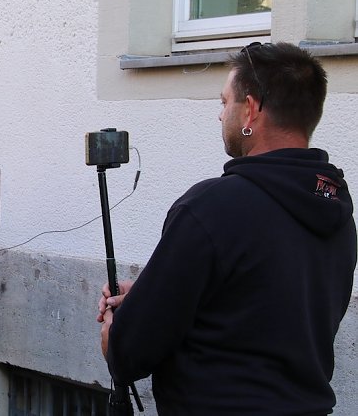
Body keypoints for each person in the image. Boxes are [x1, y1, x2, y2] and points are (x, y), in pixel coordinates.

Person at [98, 42, 357, 414]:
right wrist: (153, 294)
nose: (220, 115)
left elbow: (129, 353)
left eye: (224, 102)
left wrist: (114, 333)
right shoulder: (337, 212)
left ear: (250, 109)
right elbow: (262, 307)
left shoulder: (211, 207)